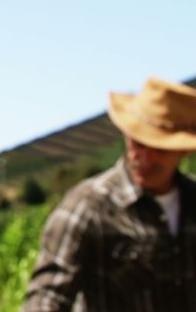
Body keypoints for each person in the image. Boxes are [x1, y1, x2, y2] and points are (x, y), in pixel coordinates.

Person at [23, 77, 196, 311]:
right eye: (138, 143)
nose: (144, 157)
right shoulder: (88, 205)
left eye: (159, 149)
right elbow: (48, 296)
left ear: (183, 150)